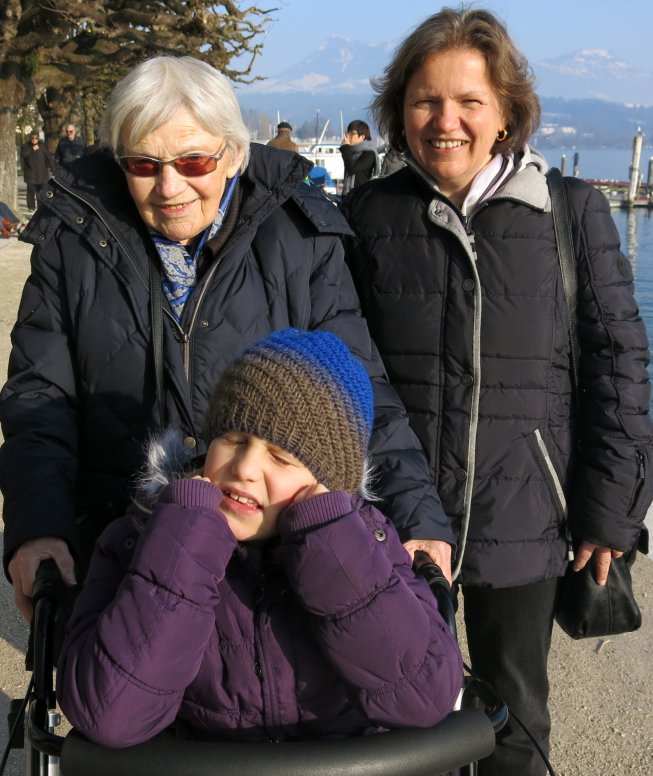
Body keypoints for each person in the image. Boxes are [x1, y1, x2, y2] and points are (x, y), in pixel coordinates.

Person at [0, 55, 452, 627]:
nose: (169, 186)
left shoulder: (301, 237)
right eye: (143, 163)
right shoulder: (73, 242)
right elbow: (40, 400)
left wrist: (418, 516)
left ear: (233, 153)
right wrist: (38, 527)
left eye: (193, 161)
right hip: (121, 549)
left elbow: (358, 390)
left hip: (272, 561)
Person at [341, 7, 653, 776]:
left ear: (506, 111)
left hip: (527, 516)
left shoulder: (570, 213)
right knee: (405, 717)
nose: (444, 121)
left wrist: (610, 512)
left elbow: (618, 367)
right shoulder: (367, 218)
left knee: (515, 717)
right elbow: (339, 370)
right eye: (424, 100)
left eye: (468, 102)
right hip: (395, 522)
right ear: (397, 111)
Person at [56, 328, 463, 747]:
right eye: (233, 439)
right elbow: (108, 715)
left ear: (328, 484)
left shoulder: (369, 543)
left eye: (282, 456)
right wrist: (185, 538)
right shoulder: (139, 537)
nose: (245, 467)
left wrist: (331, 539)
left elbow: (425, 697)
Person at [339, 120, 378, 194]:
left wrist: (345, 148)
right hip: (348, 195)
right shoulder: (351, 152)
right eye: (347, 133)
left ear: (362, 137)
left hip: (361, 196)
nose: (348, 136)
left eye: (352, 134)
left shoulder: (369, 153)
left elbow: (352, 168)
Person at [20, 133, 53, 211]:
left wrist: (53, 169)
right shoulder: (26, 146)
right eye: (33, 138)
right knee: (30, 192)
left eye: (36, 138)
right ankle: (31, 207)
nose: (34, 139)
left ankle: (40, 207)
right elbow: (24, 155)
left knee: (41, 192)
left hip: (42, 174)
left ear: (38, 139)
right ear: (30, 139)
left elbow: (49, 157)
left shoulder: (43, 146)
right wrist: (32, 149)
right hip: (30, 174)